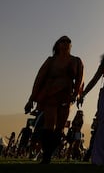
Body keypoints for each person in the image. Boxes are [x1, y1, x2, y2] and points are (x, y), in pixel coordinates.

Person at [24, 35, 84, 164]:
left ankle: (49, 153)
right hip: (50, 94)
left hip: (66, 96)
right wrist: (31, 99)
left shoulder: (76, 61)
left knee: (60, 127)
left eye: (68, 41)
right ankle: (46, 156)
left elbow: (80, 78)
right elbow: (39, 78)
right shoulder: (51, 61)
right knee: (49, 125)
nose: (66, 43)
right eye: (63, 41)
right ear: (58, 45)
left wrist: (77, 95)